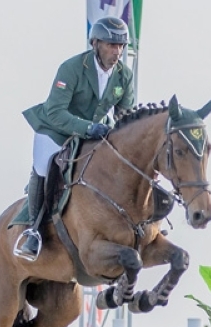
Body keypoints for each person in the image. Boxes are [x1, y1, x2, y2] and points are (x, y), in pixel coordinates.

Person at [15, 16, 136, 261]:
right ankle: (34, 230)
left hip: (95, 132)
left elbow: (126, 115)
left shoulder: (124, 76)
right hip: (56, 129)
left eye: (121, 46)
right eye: (111, 45)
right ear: (96, 44)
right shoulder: (71, 68)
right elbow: (55, 112)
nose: (117, 51)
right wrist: (89, 128)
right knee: (43, 165)